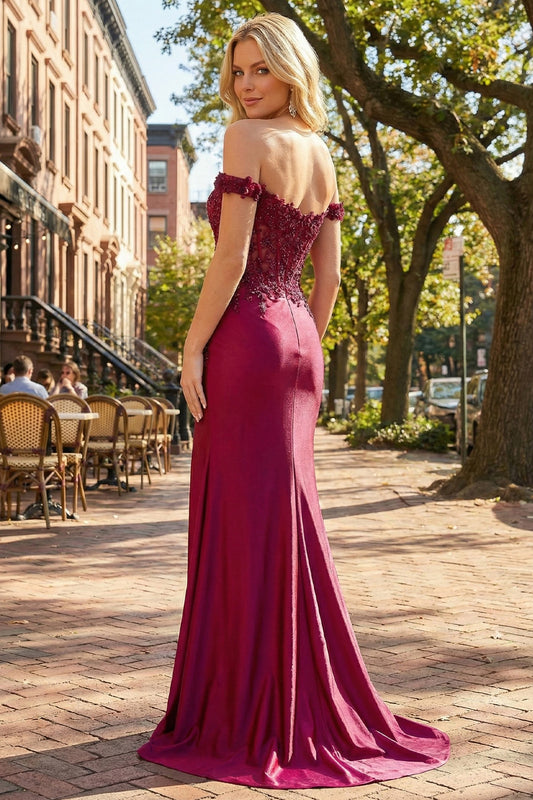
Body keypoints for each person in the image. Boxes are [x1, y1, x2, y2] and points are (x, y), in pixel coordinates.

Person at [138, 12, 449, 790]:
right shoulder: (322, 151)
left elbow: (232, 256)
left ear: (288, 72)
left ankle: (247, 713)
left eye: (259, 72)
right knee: (283, 519)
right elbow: (330, 279)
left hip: (246, 335)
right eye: (237, 72)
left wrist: (191, 347)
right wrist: (301, 338)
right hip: (297, 339)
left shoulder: (247, 142)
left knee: (245, 521)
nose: (245, 87)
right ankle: (285, 697)